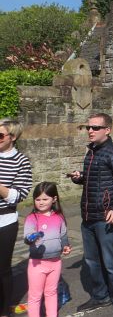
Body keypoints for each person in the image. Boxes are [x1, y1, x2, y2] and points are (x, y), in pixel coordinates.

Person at [70, 113, 113, 317]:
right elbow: (96, 180)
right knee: (92, 261)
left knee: (112, 262)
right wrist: (80, 177)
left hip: (106, 217)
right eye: (88, 127)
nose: (90, 131)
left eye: (95, 128)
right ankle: (100, 296)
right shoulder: (92, 152)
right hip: (88, 215)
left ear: (107, 130)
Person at [24, 182, 71, 317]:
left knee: (51, 292)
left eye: (45, 199)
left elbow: (63, 236)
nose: (41, 202)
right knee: (35, 296)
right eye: (38, 199)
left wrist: (66, 246)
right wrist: (31, 237)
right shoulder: (32, 218)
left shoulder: (59, 217)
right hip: (37, 264)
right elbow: (27, 238)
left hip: (56, 262)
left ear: (54, 199)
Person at [0, 119, 32, 317]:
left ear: (12, 137)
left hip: (5, 221)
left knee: (2, 269)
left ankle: (3, 311)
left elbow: (19, 195)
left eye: (0, 135)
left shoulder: (21, 161)